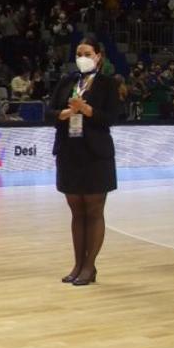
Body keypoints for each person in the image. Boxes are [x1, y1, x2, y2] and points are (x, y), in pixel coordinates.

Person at [49, 38, 121, 287]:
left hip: (95, 155)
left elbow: (113, 117)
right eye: (79, 53)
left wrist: (87, 110)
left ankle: (90, 266)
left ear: (99, 56)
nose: (82, 57)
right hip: (69, 152)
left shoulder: (108, 84)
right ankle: (78, 264)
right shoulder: (66, 81)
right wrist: (67, 112)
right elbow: (49, 112)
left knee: (94, 211)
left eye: (87, 53)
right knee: (76, 212)